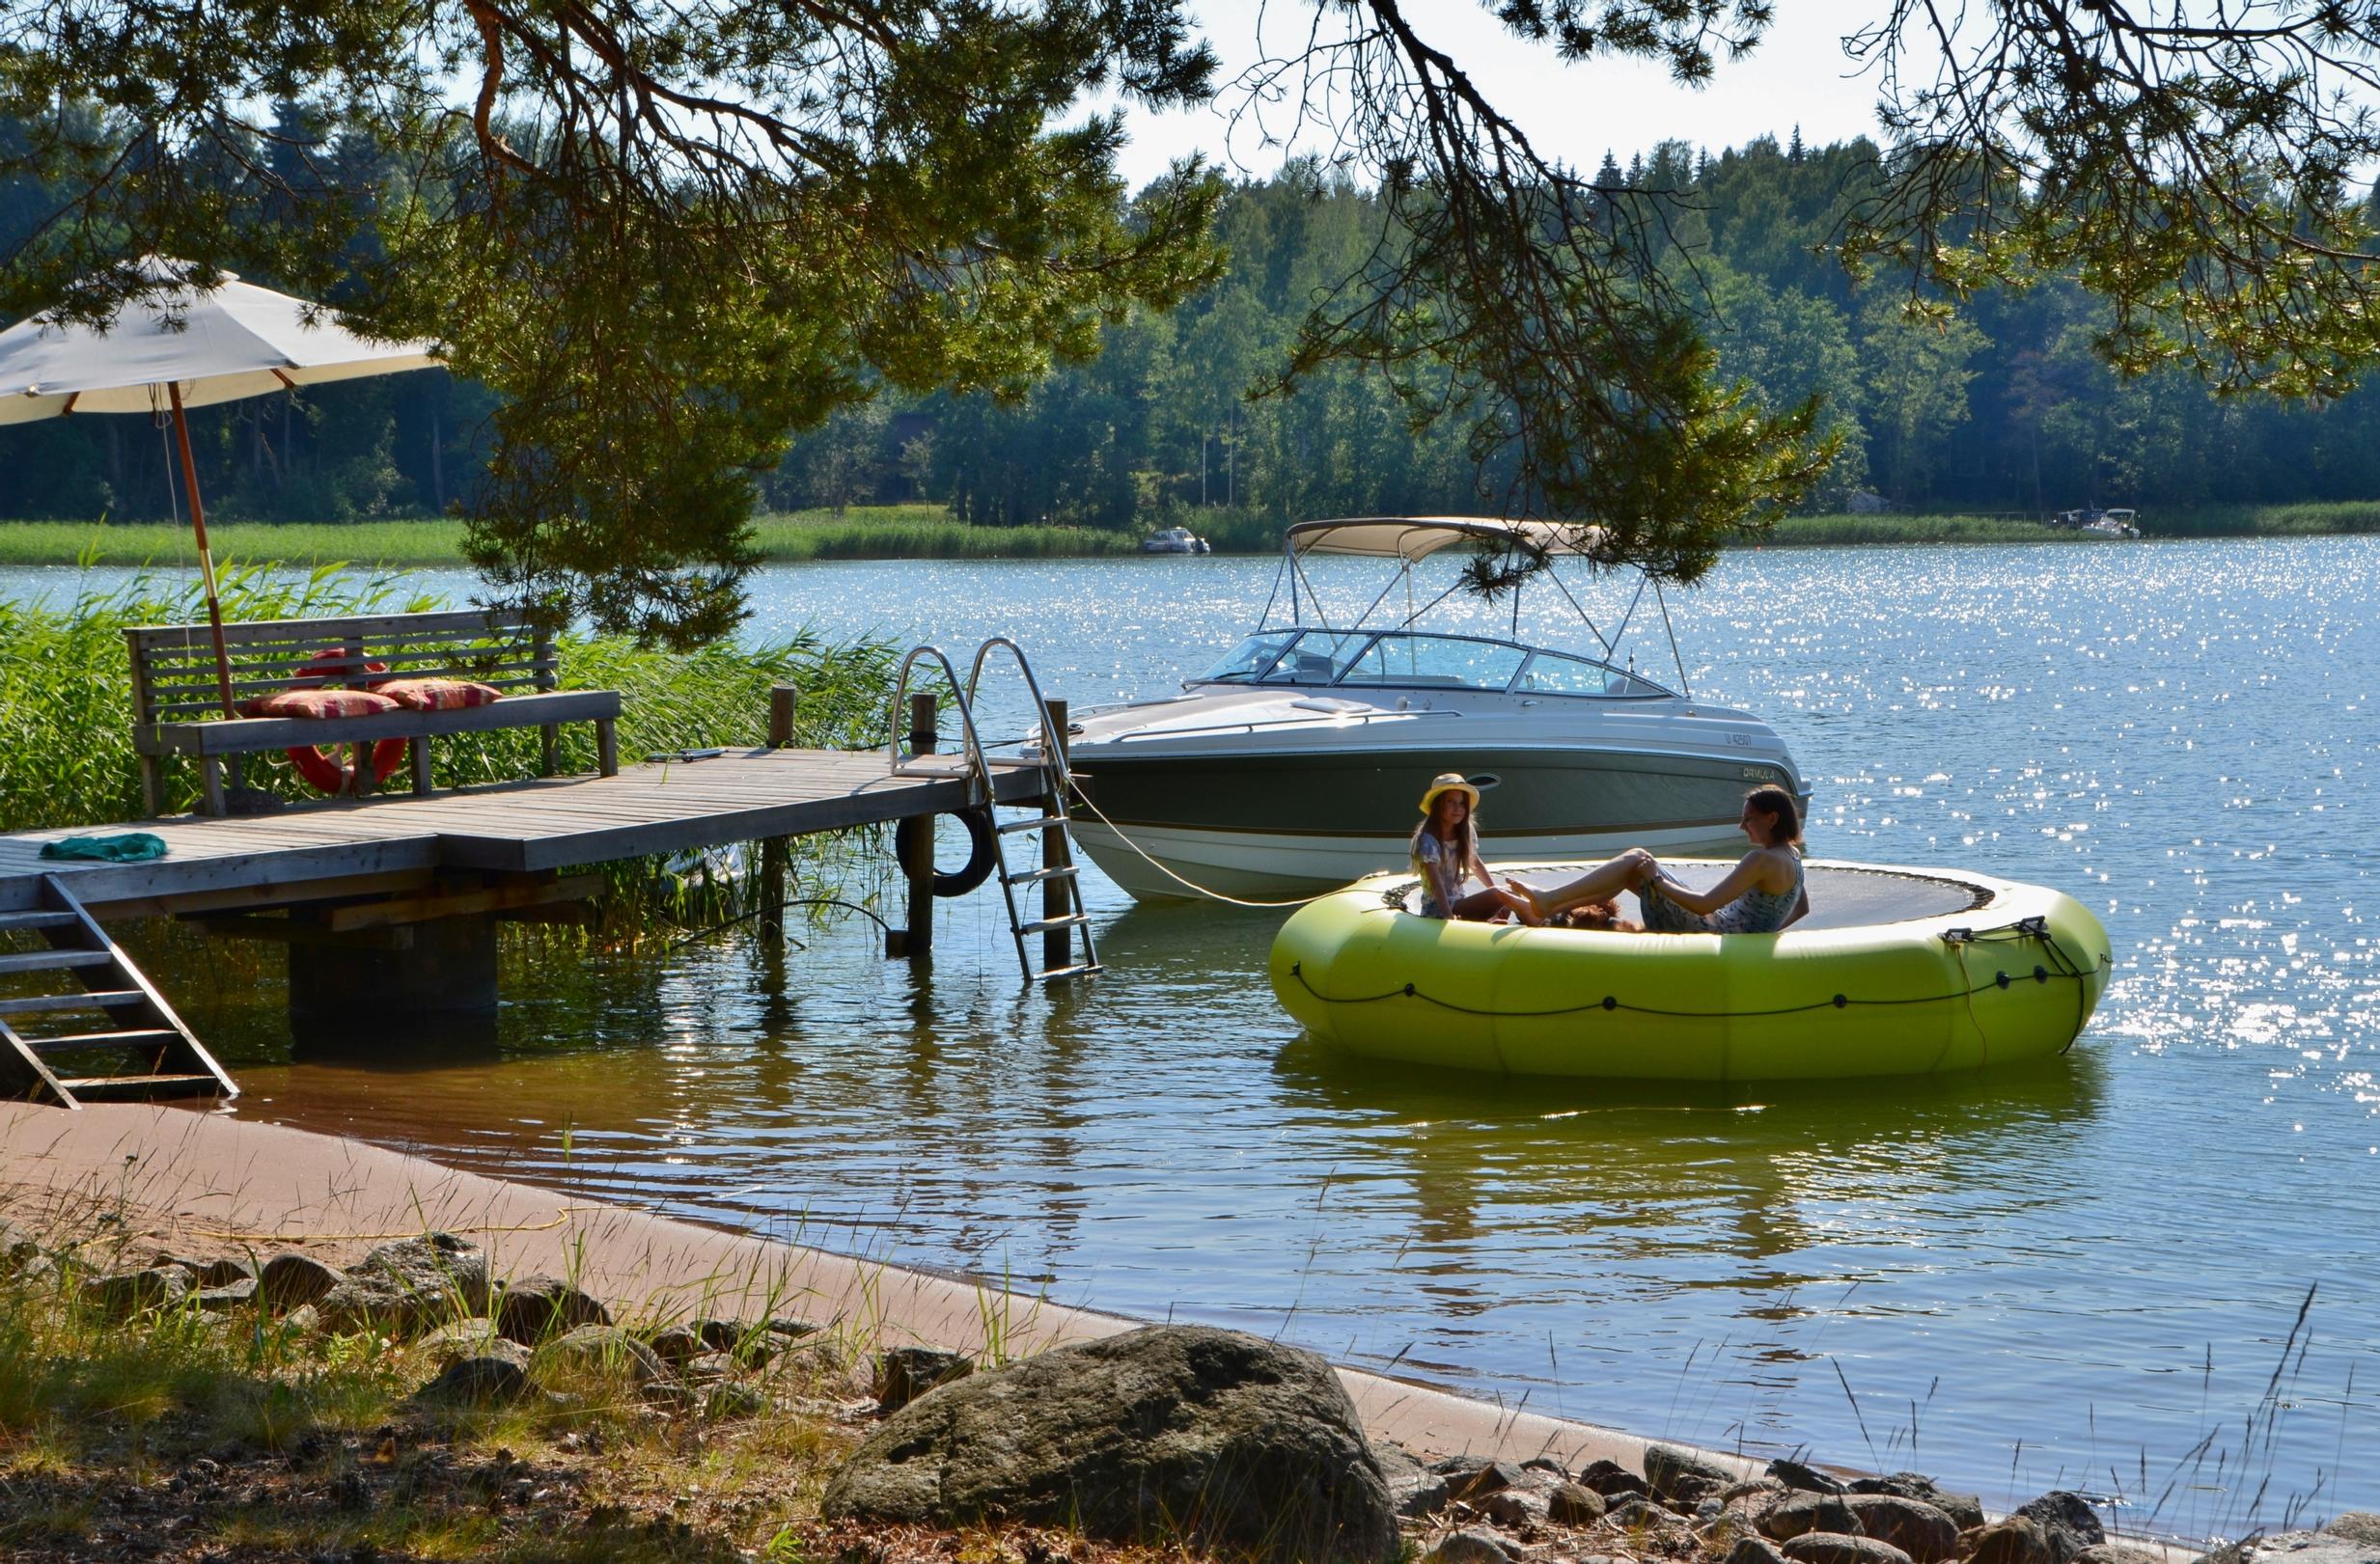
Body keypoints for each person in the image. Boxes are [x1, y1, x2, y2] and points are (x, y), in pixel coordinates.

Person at [1524, 784, 1810, 933]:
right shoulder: (1792, 857)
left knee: (1638, 859)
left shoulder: (1761, 860)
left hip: (1712, 931)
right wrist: (1762, 933)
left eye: (1749, 819)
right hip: (1727, 930)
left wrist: (1657, 880)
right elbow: (1801, 908)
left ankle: (1550, 902)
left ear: (1772, 818)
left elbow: (1704, 905)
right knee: (1634, 867)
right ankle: (1550, 905)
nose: (1741, 825)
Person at [1410, 773, 1542, 923]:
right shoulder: (1427, 839)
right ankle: (1535, 917)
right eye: (1450, 802)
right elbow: (1437, 884)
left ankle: (1499, 918)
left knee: (1511, 891)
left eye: (1461, 803)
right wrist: (1448, 917)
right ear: (1437, 804)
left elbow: (1475, 863)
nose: (1457, 808)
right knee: (1499, 894)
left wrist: (1501, 898)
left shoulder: (1464, 830)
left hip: (1460, 903)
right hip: (1439, 909)